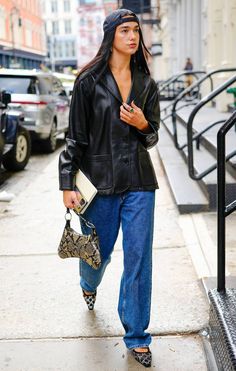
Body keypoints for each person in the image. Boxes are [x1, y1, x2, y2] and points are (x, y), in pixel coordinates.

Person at [59, 8, 160, 368]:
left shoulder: (146, 82)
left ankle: (137, 336)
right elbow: (75, 137)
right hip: (99, 185)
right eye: (125, 31)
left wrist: (142, 122)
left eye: (136, 30)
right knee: (95, 257)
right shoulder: (88, 81)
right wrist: (66, 181)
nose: (133, 37)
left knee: (138, 259)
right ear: (111, 36)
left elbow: (151, 138)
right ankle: (89, 284)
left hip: (139, 183)